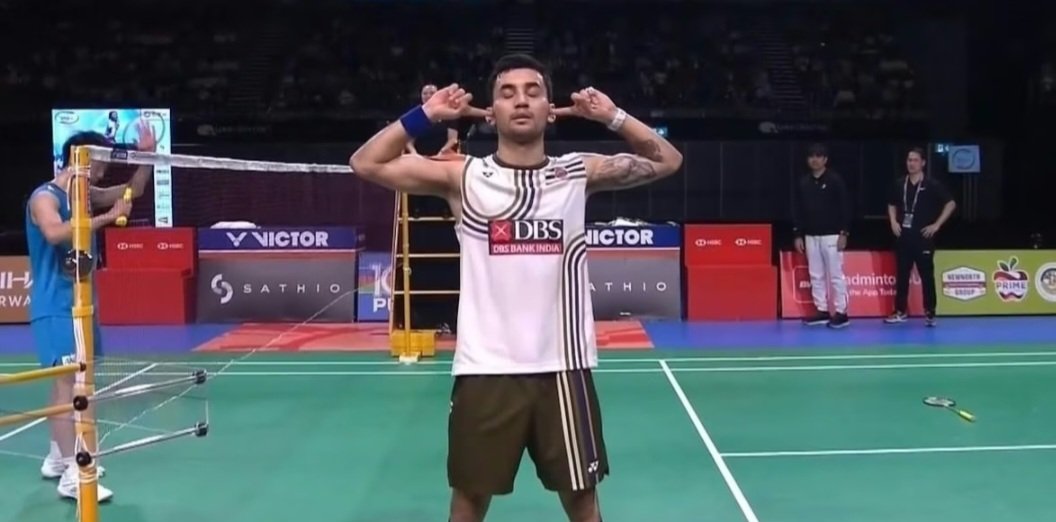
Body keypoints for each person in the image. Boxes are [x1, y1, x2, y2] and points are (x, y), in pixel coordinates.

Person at [350, 53, 683, 522]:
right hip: (486, 370)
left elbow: (668, 159)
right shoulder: (462, 176)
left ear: (551, 109)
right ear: (491, 112)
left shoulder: (577, 172)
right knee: (468, 502)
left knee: (583, 502)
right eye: (507, 94)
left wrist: (612, 116)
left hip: (563, 369)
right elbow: (365, 162)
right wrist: (425, 115)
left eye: (533, 92)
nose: (521, 101)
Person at [26, 123, 155, 501]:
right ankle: (73, 472)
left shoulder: (84, 194)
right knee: (70, 386)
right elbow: (54, 233)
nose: (103, 170)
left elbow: (132, 190)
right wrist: (107, 217)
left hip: (82, 303)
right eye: (99, 161)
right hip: (56, 307)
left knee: (71, 383)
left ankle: (57, 457)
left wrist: (147, 156)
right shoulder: (44, 197)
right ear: (80, 159)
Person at [884, 147, 956, 326]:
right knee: (902, 275)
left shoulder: (932, 185)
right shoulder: (900, 183)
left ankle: (930, 312)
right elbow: (891, 204)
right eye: (909, 160)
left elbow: (950, 203)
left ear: (923, 163)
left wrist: (937, 225)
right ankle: (900, 311)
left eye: (915, 160)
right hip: (903, 237)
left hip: (923, 238)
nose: (911, 163)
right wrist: (893, 221)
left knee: (927, 276)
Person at [791, 143, 852, 328]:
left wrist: (844, 232)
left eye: (818, 156)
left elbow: (845, 207)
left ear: (825, 159)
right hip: (811, 236)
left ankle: (841, 312)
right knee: (815, 275)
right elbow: (798, 210)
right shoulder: (803, 182)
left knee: (835, 275)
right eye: (811, 156)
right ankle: (821, 310)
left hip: (832, 236)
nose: (814, 160)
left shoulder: (835, 180)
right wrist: (798, 234)